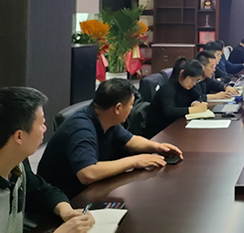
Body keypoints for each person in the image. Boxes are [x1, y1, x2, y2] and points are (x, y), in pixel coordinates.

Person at [38, 79, 183, 199]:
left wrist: (157, 147)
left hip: (89, 191)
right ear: (118, 108)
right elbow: (88, 173)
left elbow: (131, 141)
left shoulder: (106, 119)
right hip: (64, 201)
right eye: (131, 104)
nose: (132, 109)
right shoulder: (81, 128)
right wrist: (135, 161)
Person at [0, 87, 95, 233]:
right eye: (41, 124)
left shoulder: (17, 165)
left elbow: (39, 190)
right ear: (19, 136)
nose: (45, 128)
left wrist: (66, 210)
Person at [143, 58, 209, 138]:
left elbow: (199, 96)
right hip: (159, 133)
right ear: (182, 73)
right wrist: (193, 109)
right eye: (192, 80)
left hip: (174, 127)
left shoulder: (186, 86)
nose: (194, 83)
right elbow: (169, 111)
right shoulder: (168, 88)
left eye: (196, 80)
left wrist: (195, 103)